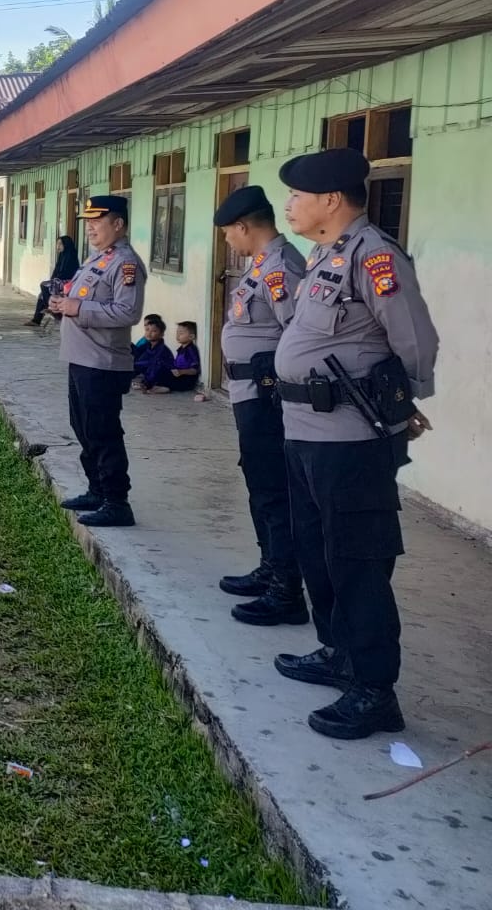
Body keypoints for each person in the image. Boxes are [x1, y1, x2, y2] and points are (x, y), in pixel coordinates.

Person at [272, 148, 437, 739]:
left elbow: (414, 338)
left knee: (359, 562)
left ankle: (374, 690)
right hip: (306, 435)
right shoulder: (326, 257)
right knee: (317, 550)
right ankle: (338, 651)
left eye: (297, 195)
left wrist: (403, 404)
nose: (288, 204)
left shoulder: (376, 257)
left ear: (331, 201)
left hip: (351, 438)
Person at [214, 184, 308, 628]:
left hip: (268, 398)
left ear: (243, 226)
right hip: (249, 395)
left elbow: (300, 336)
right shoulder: (261, 266)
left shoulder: (281, 268)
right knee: (260, 486)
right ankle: (271, 566)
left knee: (274, 490)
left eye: (228, 234)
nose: (228, 242)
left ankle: (286, 590)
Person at [49, 195, 147, 528]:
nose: (90, 228)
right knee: (84, 428)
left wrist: (78, 308)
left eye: (97, 221)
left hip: (102, 362)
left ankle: (117, 501)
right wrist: (62, 303)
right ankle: (97, 490)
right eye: (87, 222)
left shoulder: (125, 264)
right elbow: (82, 299)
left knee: (103, 432)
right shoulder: (97, 260)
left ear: (118, 224)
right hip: (81, 358)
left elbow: (128, 312)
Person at [28, 236, 81, 326]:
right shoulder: (62, 255)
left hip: (67, 282)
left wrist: (55, 281)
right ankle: (36, 320)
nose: (58, 246)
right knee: (42, 295)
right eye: (57, 244)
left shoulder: (71, 255)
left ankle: (52, 309)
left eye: (60, 244)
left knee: (44, 285)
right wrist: (53, 280)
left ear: (66, 244)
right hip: (59, 281)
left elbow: (67, 273)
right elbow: (56, 270)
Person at [146, 321, 200, 393]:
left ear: (191, 337)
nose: (177, 336)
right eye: (177, 333)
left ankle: (163, 387)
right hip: (178, 376)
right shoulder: (181, 349)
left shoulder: (191, 350)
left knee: (162, 373)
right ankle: (150, 385)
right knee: (157, 366)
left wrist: (181, 372)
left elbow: (195, 370)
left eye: (181, 333)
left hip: (186, 381)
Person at [131, 317, 174, 392]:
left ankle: (153, 386)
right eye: (147, 330)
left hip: (163, 376)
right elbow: (137, 353)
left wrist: (146, 384)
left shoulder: (163, 350)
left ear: (161, 334)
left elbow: (153, 365)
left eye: (154, 331)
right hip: (148, 372)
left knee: (155, 363)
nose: (149, 333)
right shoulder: (147, 345)